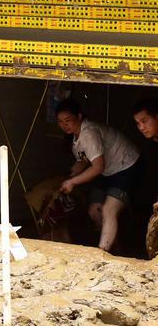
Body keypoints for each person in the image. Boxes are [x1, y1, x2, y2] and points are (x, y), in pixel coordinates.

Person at [57, 98, 142, 253]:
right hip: (107, 170)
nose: (64, 125)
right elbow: (83, 161)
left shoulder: (89, 133)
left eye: (68, 120)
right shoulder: (76, 136)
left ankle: (102, 253)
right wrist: (67, 178)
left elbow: (97, 167)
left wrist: (73, 182)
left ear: (80, 116)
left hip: (126, 166)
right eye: (61, 121)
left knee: (109, 210)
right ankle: (115, 247)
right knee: (94, 210)